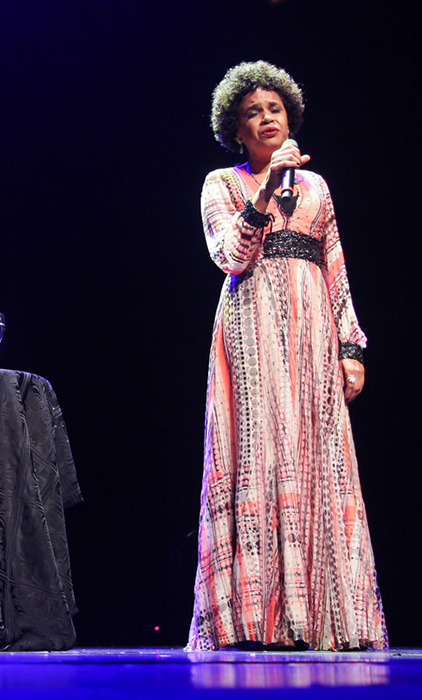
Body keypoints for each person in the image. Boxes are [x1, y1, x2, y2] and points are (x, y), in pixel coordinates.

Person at [186, 62, 387, 651]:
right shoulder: (220, 184)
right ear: (237, 129)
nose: (267, 118)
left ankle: (326, 619)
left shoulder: (318, 188)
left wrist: (352, 348)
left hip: (312, 333)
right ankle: (254, 619)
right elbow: (230, 256)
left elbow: (337, 269)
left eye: (274, 108)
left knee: (317, 457)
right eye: (253, 112)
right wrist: (267, 187)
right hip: (249, 329)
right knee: (258, 454)